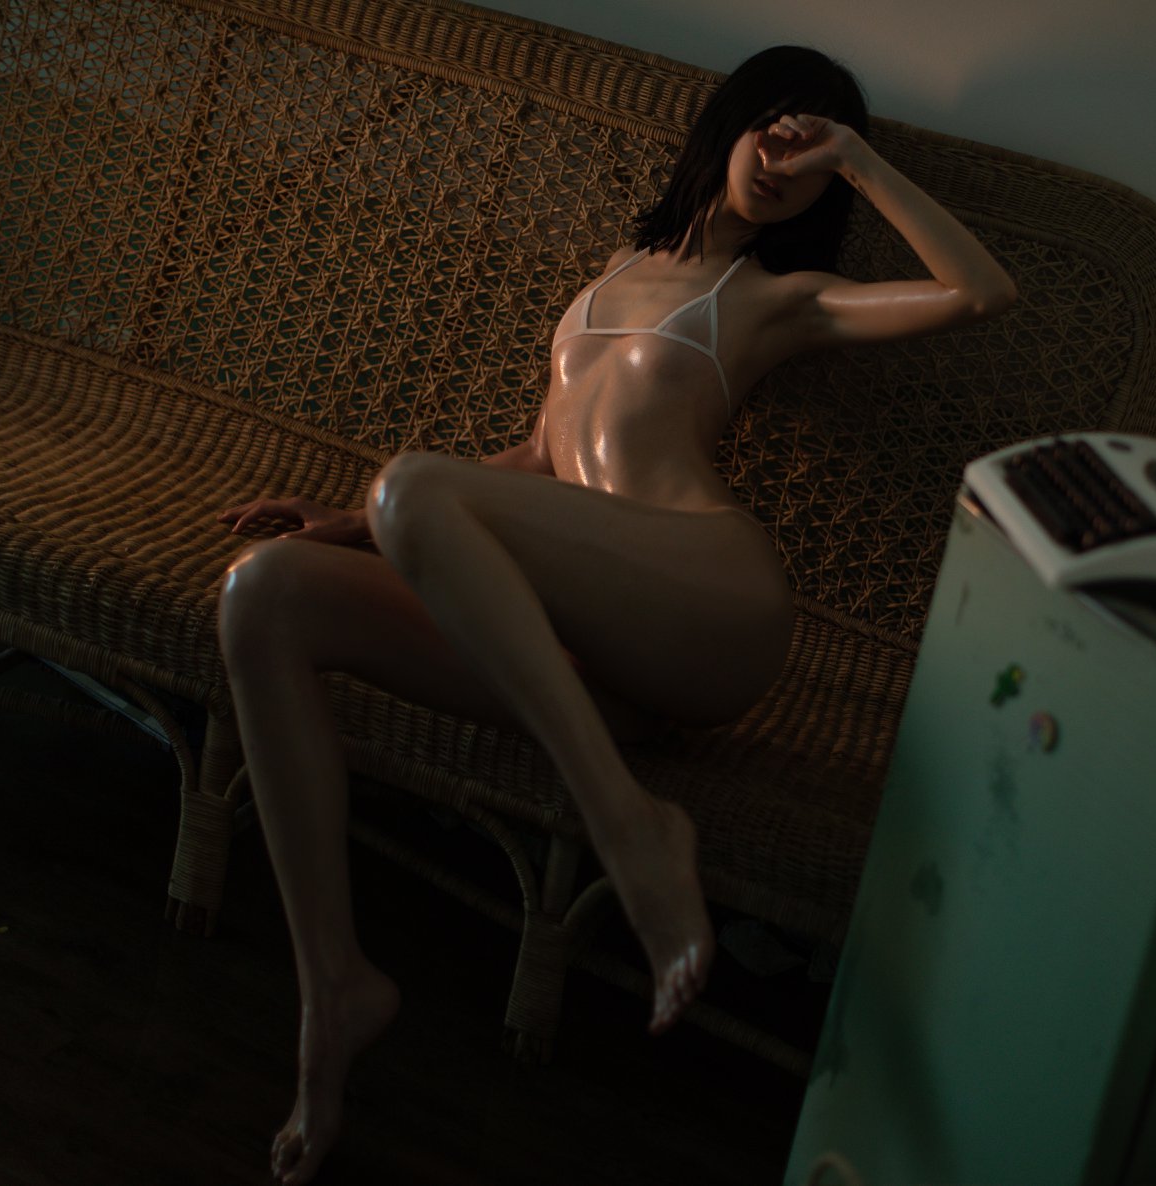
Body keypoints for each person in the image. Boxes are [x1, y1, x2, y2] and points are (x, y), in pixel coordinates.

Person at [212, 44, 1016, 1186]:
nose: (787, 165)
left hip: (708, 602)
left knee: (413, 485)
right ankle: (333, 985)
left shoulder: (778, 300)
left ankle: (629, 826)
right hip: (584, 647)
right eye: (780, 132)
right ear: (730, 122)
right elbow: (536, 459)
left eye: (815, 156)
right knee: (264, 591)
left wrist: (859, 159)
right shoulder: (615, 269)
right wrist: (348, 524)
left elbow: (983, 293)